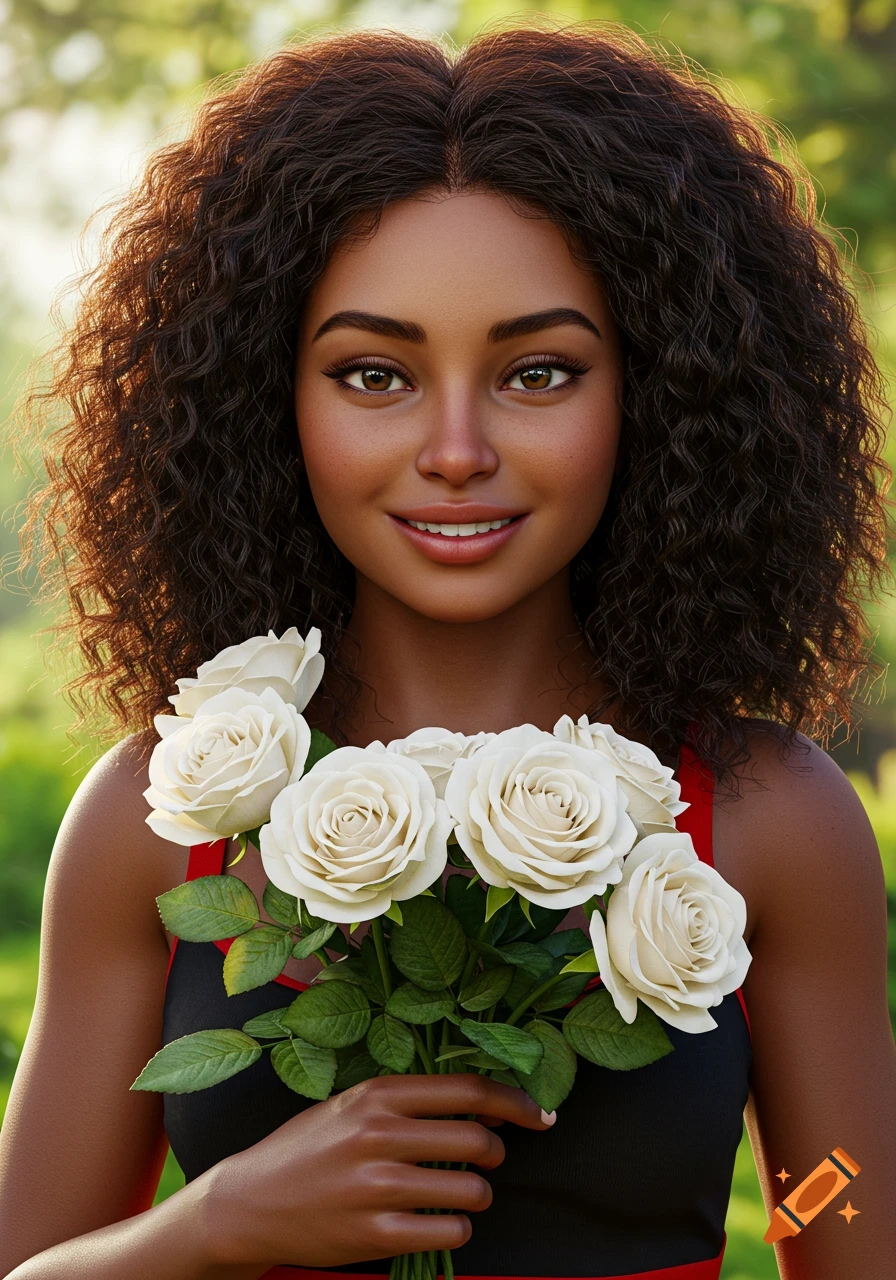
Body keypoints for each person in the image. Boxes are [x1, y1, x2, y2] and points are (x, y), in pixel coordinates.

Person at [0, 18, 893, 1280]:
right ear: (270, 396)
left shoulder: (765, 818)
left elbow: (836, 1217)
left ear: (659, 392)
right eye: (374, 374)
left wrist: (830, 1213)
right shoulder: (160, 819)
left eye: (537, 371)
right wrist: (210, 1227)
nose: (457, 448)